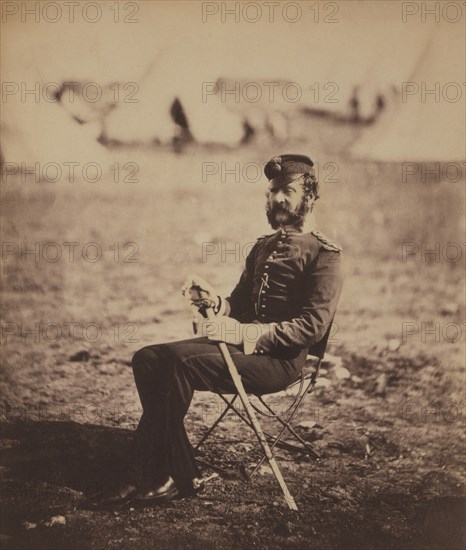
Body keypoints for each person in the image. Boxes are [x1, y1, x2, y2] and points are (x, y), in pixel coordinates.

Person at [100, 153, 343, 506]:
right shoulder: (262, 246)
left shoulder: (325, 255)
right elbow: (239, 306)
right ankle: (181, 472)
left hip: (278, 361)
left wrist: (245, 335)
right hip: (240, 351)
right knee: (148, 358)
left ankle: (145, 474)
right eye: (272, 191)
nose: (276, 199)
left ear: (310, 195)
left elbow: (312, 326)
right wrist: (213, 301)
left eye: (287, 191)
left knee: (177, 363)